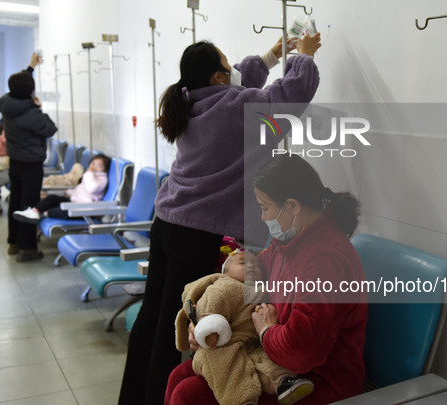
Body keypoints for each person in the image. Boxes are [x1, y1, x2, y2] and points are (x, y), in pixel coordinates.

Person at [119, 33, 322, 405]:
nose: (234, 71)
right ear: (216, 77)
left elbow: (242, 77)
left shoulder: (189, 102)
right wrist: (303, 58)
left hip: (166, 223)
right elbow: (287, 96)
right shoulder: (233, 107)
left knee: (152, 318)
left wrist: (273, 54)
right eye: (227, 66)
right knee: (173, 330)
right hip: (198, 234)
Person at [165, 155, 368, 405]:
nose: (263, 217)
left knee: (188, 396)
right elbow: (250, 273)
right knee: (179, 376)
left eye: (265, 207)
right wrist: (208, 317)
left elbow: (302, 353)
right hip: (272, 360)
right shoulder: (290, 241)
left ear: (292, 206)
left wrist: (266, 330)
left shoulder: (325, 262)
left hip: (317, 381)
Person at [173, 248, 314, 405]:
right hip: (221, 345)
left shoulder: (262, 291)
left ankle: (282, 382)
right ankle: (241, 400)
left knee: (265, 359)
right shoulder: (225, 286)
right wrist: (208, 327)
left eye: (258, 266)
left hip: (251, 343)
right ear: (225, 272)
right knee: (226, 367)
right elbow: (211, 305)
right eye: (243, 263)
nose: (252, 266)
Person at [0, 53, 57, 262]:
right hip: (31, 164)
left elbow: (19, 85)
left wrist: (31, 67)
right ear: (30, 92)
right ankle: (28, 248)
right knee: (29, 205)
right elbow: (50, 128)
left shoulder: (6, 103)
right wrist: (40, 108)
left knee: (15, 201)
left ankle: (13, 243)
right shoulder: (31, 114)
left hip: (15, 162)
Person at [12, 153, 110, 223]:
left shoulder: (101, 180)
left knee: (59, 211)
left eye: (99, 166)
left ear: (105, 170)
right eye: (93, 164)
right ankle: (35, 211)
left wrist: (89, 174)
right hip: (74, 202)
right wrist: (71, 192)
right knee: (53, 198)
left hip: (83, 208)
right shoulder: (91, 176)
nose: (94, 168)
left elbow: (91, 189)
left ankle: (42, 213)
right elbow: (81, 189)